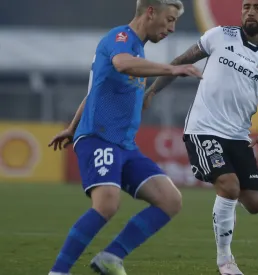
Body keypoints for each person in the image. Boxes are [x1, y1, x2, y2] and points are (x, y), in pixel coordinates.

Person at [47, 1, 202, 274]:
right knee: (107, 203)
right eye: (169, 19)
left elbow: (95, 89)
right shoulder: (120, 38)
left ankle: (111, 257)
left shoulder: (137, 49)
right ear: (150, 12)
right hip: (98, 138)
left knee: (170, 200)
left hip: (124, 145)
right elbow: (121, 64)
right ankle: (58, 272)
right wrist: (171, 68)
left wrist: (71, 128)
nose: (172, 28)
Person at [144, 0, 258, 273]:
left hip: (238, 135)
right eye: (246, 6)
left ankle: (226, 208)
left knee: (257, 204)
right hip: (203, 128)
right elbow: (179, 62)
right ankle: (225, 260)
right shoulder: (219, 35)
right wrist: (152, 91)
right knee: (229, 185)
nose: (250, 11)